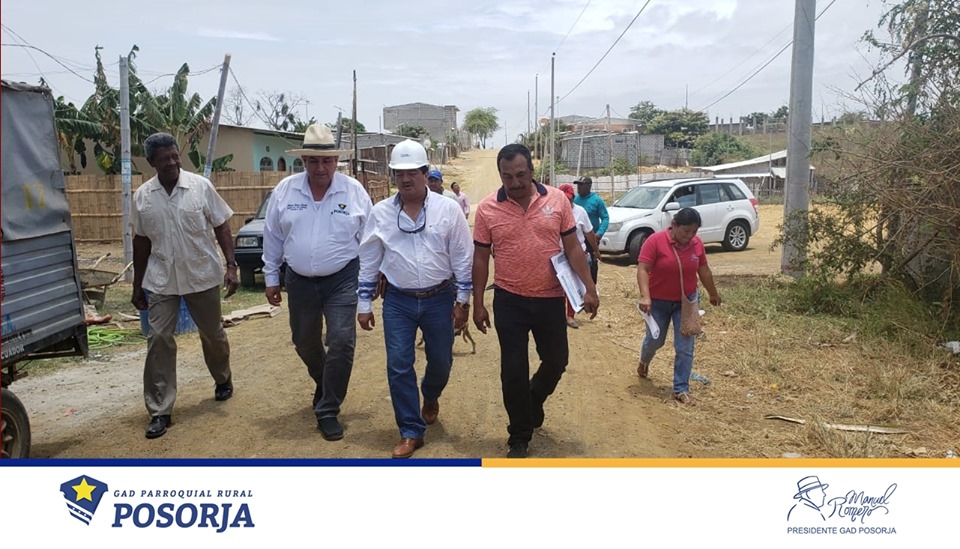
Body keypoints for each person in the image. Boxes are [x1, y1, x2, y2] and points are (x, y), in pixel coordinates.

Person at [472, 143, 599, 458]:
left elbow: (573, 247)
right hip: (509, 299)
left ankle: (533, 398)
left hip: (550, 298)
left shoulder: (556, 200)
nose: (514, 183)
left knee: (556, 361)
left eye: (520, 175)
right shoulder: (487, 209)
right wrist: (478, 302)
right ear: (500, 175)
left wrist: (589, 287)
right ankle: (519, 435)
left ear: (532, 170)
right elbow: (481, 258)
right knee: (513, 368)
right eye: (507, 176)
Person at [357, 140, 473, 458]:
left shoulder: (448, 209)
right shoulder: (381, 213)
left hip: (439, 298)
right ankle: (410, 430)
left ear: (425, 173)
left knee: (441, 362)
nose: (406, 179)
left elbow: (462, 256)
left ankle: (431, 394)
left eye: (412, 172)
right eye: (399, 173)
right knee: (398, 364)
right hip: (398, 300)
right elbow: (369, 258)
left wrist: (463, 301)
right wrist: (364, 303)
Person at [261, 124, 372, 441]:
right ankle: (325, 381)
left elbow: (370, 239)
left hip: (343, 277)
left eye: (326, 161)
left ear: (336, 161)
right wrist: (271, 277)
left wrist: (371, 278)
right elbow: (273, 236)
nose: (320, 168)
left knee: (341, 340)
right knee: (304, 341)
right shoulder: (285, 191)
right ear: (304, 161)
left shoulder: (353, 192)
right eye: (313, 161)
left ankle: (328, 409)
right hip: (299, 280)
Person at [131, 132, 238, 440]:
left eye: (175, 156)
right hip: (161, 279)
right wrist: (137, 286)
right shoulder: (143, 197)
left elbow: (222, 225)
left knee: (212, 333)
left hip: (201, 274)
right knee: (158, 338)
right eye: (164, 159)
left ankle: (222, 377)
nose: (172, 162)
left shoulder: (199, 187)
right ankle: (160, 410)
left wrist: (231, 266)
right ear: (151, 162)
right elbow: (141, 242)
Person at [635, 207, 721, 405]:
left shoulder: (697, 244)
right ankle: (644, 360)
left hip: (687, 301)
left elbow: (704, 270)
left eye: (694, 232)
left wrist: (713, 293)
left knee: (685, 346)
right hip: (658, 301)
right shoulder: (655, 241)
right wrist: (645, 297)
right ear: (674, 225)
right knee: (655, 340)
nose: (689, 236)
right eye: (686, 231)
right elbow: (643, 269)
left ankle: (681, 388)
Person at [559, 183, 599, 329]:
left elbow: (589, 233)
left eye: (568, 199)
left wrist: (596, 250)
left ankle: (570, 315)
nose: (566, 202)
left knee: (573, 285)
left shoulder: (580, 212)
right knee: (560, 287)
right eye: (563, 199)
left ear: (573, 198)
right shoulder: (554, 212)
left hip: (577, 253)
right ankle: (558, 315)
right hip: (558, 256)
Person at [573, 176, 609, 284]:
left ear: (589, 186)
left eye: (581, 185)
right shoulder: (575, 200)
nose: (578, 187)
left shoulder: (597, 200)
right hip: (578, 238)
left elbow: (605, 218)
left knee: (592, 263)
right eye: (578, 185)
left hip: (591, 238)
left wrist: (599, 233)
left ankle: (592, 285)